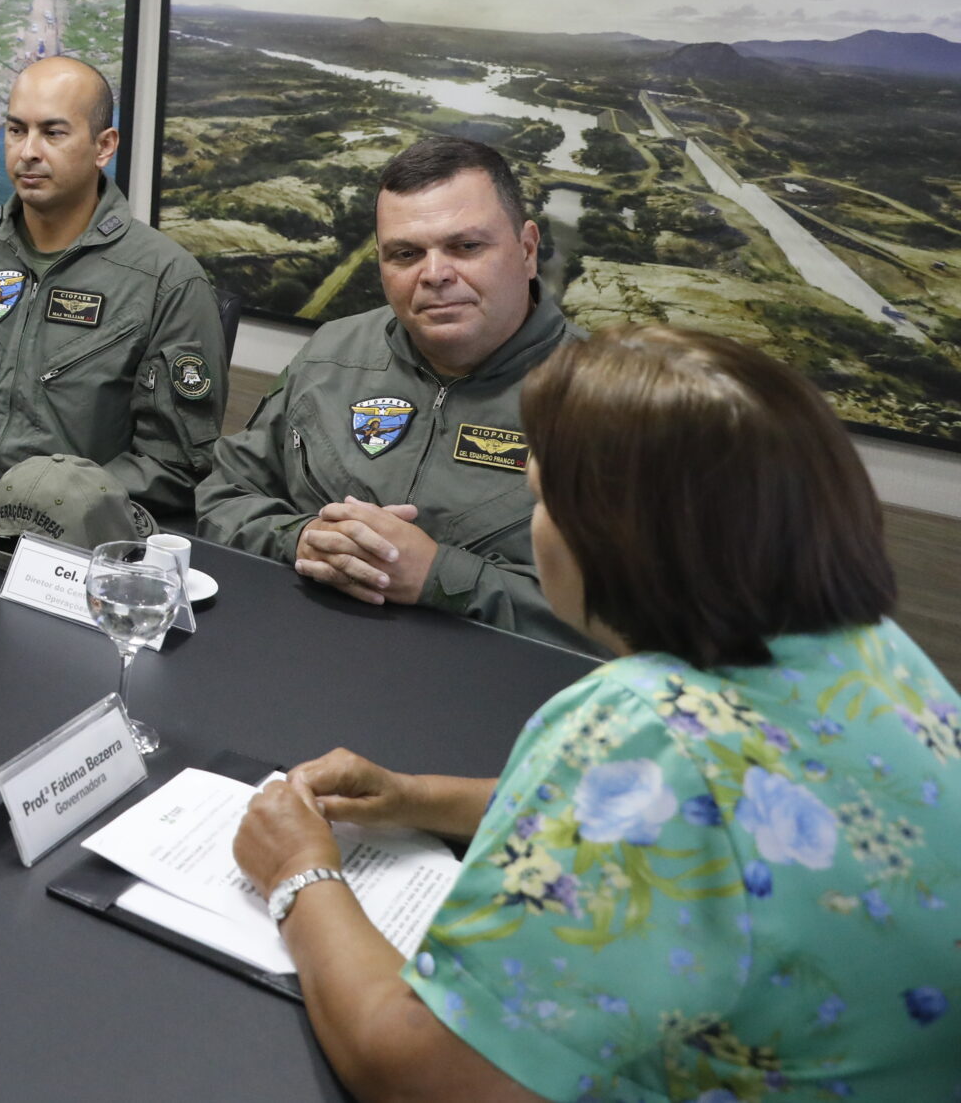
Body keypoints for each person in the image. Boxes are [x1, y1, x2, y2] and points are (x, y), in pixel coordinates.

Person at [231, 325, 961, 1103]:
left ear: (620, 536)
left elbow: (419, 1070)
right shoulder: (870, 650)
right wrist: (416, 797)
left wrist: (299, 871)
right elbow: (716, 815)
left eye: (542, 499)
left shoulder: (648, 721)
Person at [195, 135, 588, 649]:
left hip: (494, 693)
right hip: (295, 652)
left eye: (466, 246)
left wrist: (443, 578)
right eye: (405, 254)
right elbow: (222, 498)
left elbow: (641, 625)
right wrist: (302, 539)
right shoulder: (332, 353)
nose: (435, 274)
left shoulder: (609, 403)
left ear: (528, 249)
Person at [0, 57, 223, 522]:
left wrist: (56, 501)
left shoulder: (167, 279)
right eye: (16, 130)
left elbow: (175, 465)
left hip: (71, 538)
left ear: (104, 146)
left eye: (53, 133)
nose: (27, 152)